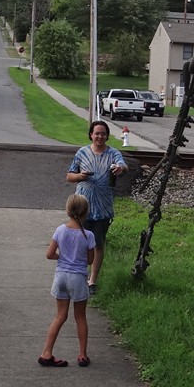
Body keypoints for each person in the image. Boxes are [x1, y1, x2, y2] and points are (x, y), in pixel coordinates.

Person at [66, 120, 128, 294]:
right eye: (97, 133)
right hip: (82, 207)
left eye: (103, 133)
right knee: (79, 243)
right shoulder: (82, 152)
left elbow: (124, 166)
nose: (100, 136)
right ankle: (79, 276)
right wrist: (80, 176)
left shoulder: (113, 153)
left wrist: (120, 169)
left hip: (103, 208)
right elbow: (69, 176)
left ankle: (92, 281)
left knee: (98, 244)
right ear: (91, 135)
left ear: (107, 136)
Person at [39, 194, 95, 368]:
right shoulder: (88, 235)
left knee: (60, 316)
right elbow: (90, 260)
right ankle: (82, 355)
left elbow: (49, 254)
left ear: (68, 211)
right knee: (80, 317)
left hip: (61, 276)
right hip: (77, 278)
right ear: (85, 213)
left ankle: (46, 353)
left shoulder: (60, 230)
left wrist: (61, 257)